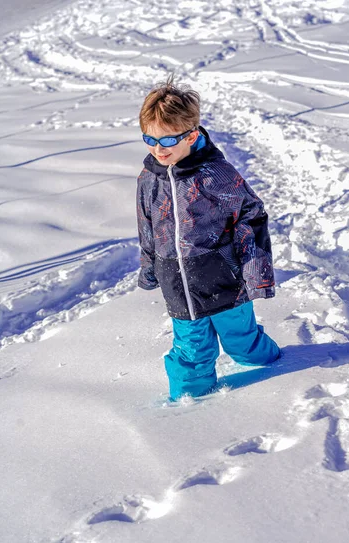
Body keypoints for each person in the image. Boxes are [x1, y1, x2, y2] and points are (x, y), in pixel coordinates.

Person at [136, 75, 280, 400]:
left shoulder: (216, 174)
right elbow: (147, 225)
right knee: (190, 351)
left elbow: (251, 218)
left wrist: (257, 274)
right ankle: (189, 408)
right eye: (149, 139)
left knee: (241, 341)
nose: (158, 149)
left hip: (222, 277)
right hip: (177, 283)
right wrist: (149, 266)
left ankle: (276, 366)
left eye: (169, 140)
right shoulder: (148, 178)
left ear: (192, 135)